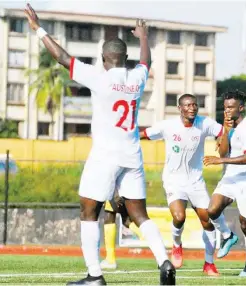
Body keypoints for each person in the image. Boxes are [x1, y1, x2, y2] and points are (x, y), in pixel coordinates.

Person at [24, 4, 176, 285]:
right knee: (139, 214)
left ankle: (95, 276)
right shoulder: (137, 79)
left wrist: (38, 29)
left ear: (103, 58)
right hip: (132, 154)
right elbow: (146, 62)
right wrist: (143, 36)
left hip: (105, 156)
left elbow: (61, 57)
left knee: (88, 210)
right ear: (124, 58)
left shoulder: (98, 77)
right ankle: (164, 261)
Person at [140, 94, 233, 276]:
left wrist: (222, 139)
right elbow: (144, 134)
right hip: (173, 180)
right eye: (188, 105)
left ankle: (209, 263)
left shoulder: (204, 123)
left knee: (207, 221)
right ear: (180, 108)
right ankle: (176, 245)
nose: (192, 108)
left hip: (196, 181)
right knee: (179, 216)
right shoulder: (168, 126)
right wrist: (124, 137)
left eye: (195, 105)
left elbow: (223, 131)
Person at [203, 89, 246, 277]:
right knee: (211, 210)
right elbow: (222, 152)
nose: (227, 111)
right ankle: (228, 236)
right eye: (225, 107)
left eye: (231, 107)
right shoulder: (227, 127)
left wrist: (220, 161)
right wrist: (226, 132)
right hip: (230, 178)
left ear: (241, 108)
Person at [101, 194, 131, 269]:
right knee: (139, 217)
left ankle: (110, 259)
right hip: (134, 187)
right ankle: (161, 258)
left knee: (109, 212)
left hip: (115, 189)